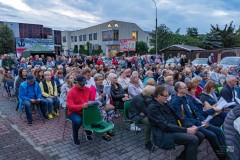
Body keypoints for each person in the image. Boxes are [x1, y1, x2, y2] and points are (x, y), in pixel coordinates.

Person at [171, 82, 226, 160]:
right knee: (212, 135)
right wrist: (200, 122)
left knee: (218, 131)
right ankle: (222, 157)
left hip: (199, 122)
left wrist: (203, 120)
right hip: (191, 125)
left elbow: (197, 111)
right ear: (179, 90)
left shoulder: (187, 97)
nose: (187, 88)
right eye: (185, 87)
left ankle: (226, 151)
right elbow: (183, 119)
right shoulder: (175, 102)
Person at [148, 85, 204, 160]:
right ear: (158, 96)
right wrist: (186, 130)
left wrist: (190, 125)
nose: (168, 97)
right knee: (193, 139)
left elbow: (177, 117)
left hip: (174, 128)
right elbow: (165, 126)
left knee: (200, 135)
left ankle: (182, 157)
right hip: (164, 134)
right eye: (166, 95)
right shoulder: (152, 108)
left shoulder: (165, 102)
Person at [66, 75, 94, 145]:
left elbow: (90, 100)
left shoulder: (87, 89)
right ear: (76, 82)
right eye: (81, 84)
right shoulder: (71, 91)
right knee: (78, 121)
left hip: (85, 110)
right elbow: (70, 106)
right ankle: (75, 136)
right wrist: (81, 106)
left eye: (84, 84)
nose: (83, 86)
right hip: (73, 112)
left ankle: (88, 132)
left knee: (94, 117)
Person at [129, 85, 156, 150]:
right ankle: (147, 142)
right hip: (135, 115)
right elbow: (147, 111)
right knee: (149, 121)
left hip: (139, 112)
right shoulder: (140, 99)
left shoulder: (144, 96)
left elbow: (147, 109)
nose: (154, 94)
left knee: (153, 118)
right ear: (149, 93)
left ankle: (156, 137)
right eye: (153, 93)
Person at [94, 73, 115, 141]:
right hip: (96, 107)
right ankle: (104, 133)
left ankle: (109, 128)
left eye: (101, 79)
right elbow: (94, 100)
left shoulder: (104, 86)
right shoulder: (94, 88)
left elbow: (108, 97)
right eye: (98, 80)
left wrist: (107, 95)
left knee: (111, 112)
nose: (100, 81)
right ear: (95, 81)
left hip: (104, 105)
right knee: (104, 114)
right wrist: (101, 96)